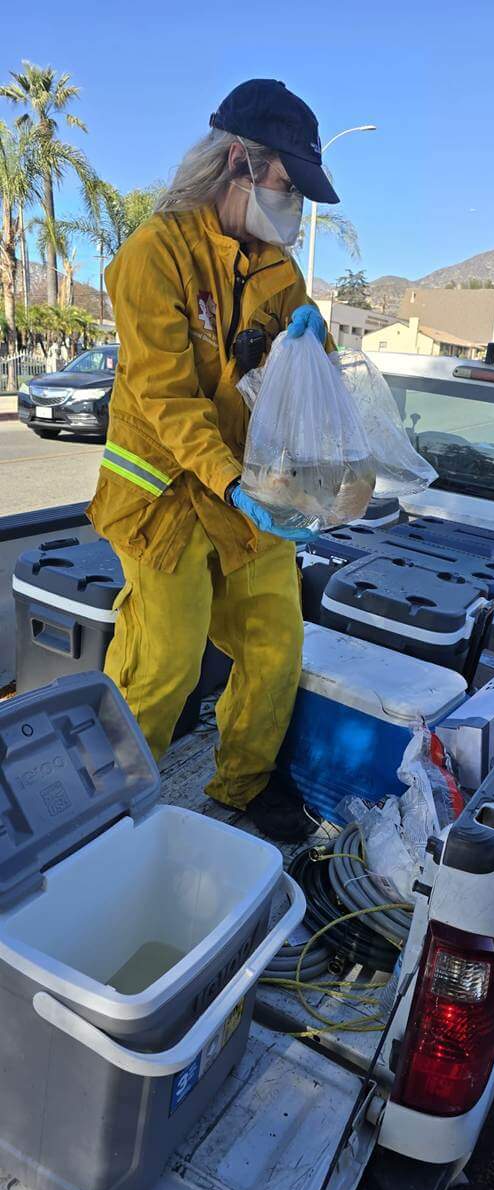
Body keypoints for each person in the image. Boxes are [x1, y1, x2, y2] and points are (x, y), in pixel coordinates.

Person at [87, 79, 339, 842]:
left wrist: (312, 336)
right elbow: (166, 401)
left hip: (248, 487)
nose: (291, 207)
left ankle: (242, 785)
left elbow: (298, 368)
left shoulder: (276, 269)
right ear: (237, 160)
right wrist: (232, 481)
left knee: (273, 642)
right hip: (165, 494)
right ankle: (102, 811)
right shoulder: (152, 255)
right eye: (284, 186)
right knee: (162, 662)